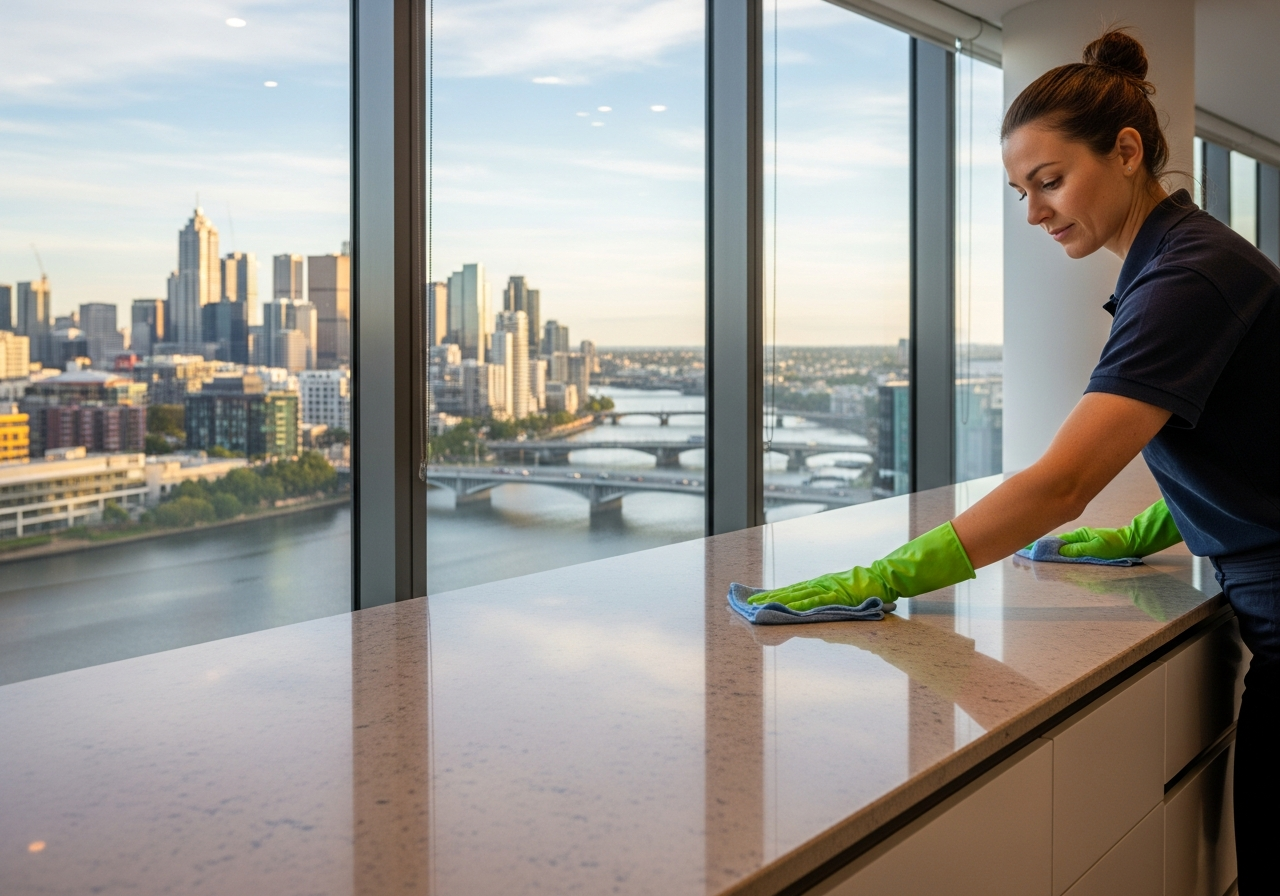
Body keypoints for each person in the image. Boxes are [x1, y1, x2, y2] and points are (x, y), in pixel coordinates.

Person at [750, 29, 1279, 890]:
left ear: (1128, 151)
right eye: (1019, 192)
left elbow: (1064, 481)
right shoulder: (1185, 258)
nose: (1034, 213)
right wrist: (1159, 524)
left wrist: (883, 576)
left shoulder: (1187, 277)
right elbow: (1240, 428)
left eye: (1050, 180)